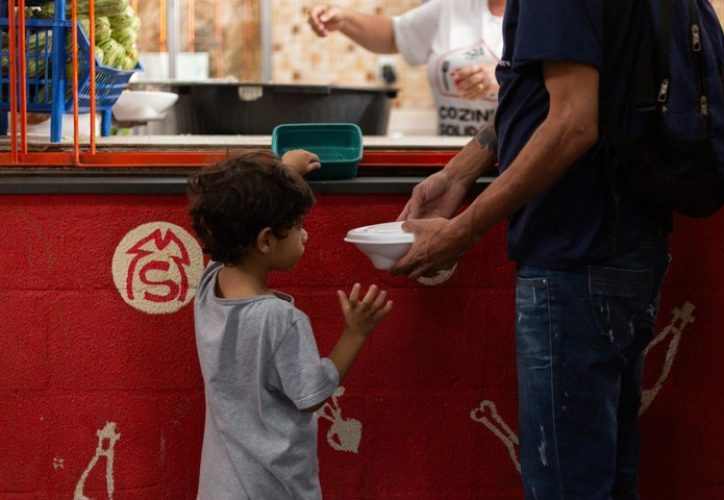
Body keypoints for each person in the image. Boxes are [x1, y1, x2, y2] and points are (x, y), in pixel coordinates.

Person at [391, 0, 671, 497]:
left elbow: (572, 123)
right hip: (621, 243)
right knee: (604, 473)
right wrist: (459, 174)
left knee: (567, 483)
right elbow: (541, 99)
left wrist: (466, 229)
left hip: (576, 254)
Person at [187, 151, 393, 499]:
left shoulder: (209, 286)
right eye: (298, 227)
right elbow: (311, 395)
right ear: (266, 241)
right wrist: (356, 333)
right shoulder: (281, 320)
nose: (306, 236)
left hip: (221, 486)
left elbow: (234, 213)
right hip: (274, 487)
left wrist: (283, 174)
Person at [307, 0, 505, 136]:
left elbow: (535, 79)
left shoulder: (532, 14)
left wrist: (505, 77)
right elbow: (395, 35)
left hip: (508, 158)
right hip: (453, 155)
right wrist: (345, 19)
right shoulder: (451, 6)